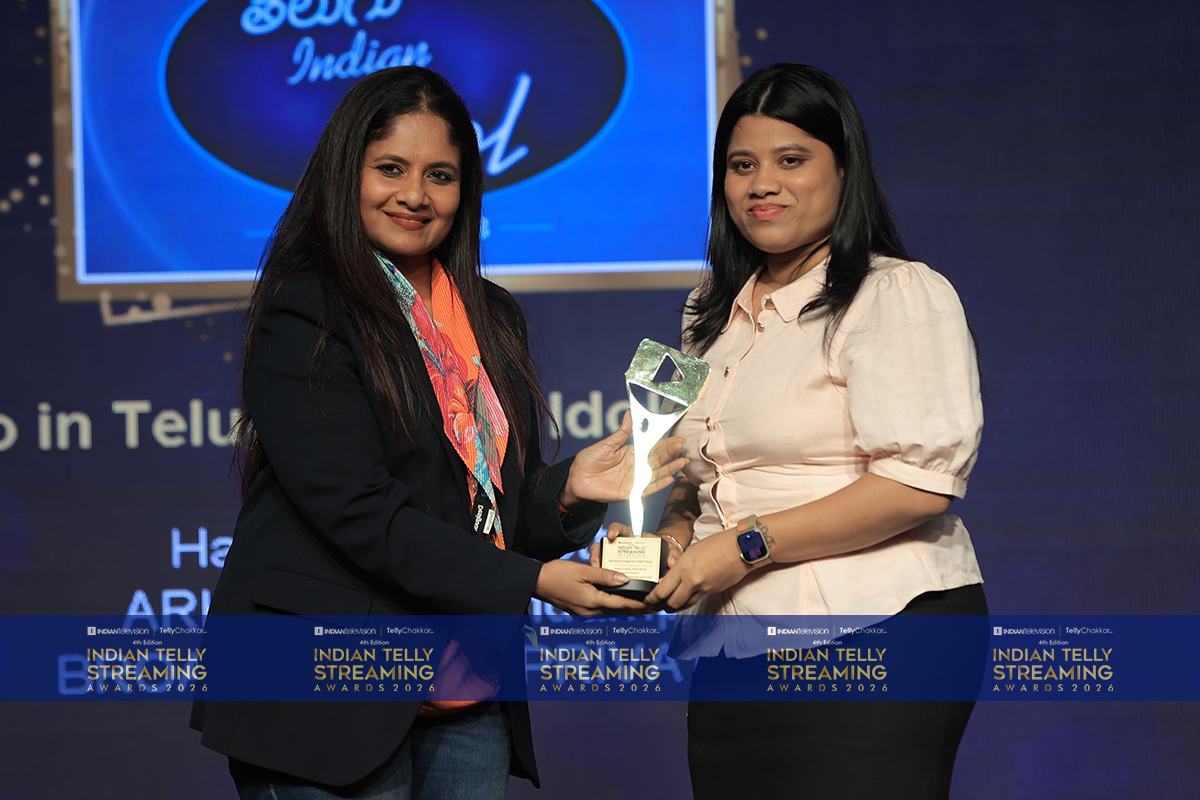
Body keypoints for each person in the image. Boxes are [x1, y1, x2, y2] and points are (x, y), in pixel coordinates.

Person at [190, 66, 684, 800]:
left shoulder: (489, 312)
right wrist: (533, 582)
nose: (415, 195)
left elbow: (481, 512)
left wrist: (566, 492)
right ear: (346, 173)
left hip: (464, 685)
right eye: (391, 168)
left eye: (440, 175)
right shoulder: (308, 308)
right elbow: (359, 511)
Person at [597, 63, 987, 799]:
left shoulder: (894, 291)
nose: (762, 184)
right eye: (742, 165)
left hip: (877, 629)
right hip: (733, 642)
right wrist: (671, 544)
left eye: (791, 159)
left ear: (843, 170)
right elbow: (701, 479)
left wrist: (743, 548)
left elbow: (917, 486)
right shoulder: (708, 311)